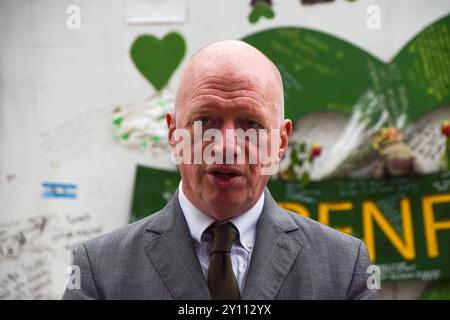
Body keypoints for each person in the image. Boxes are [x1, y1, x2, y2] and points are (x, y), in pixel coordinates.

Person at [62, 40, 378, 300]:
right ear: (173, 134)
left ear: (281, 142)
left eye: (250, 124)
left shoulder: (344, 269)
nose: (226, 145)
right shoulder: (100, 271)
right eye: (205, 122)